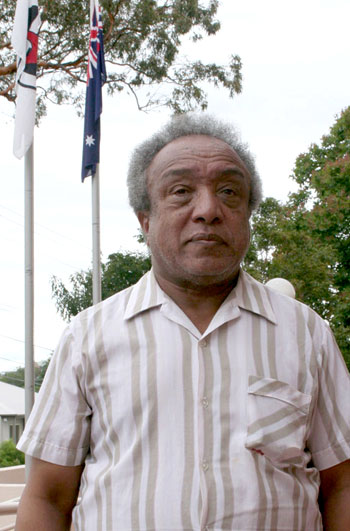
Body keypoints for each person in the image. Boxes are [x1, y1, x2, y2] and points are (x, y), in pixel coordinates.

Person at [16, 114, 350, 530]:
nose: (209, 210)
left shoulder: (306, 334)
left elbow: (342, 485)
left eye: (230, 192)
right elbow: (47, 496)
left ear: (247, 216)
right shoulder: (87, 338)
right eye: (181, 191)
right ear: (146, 220)